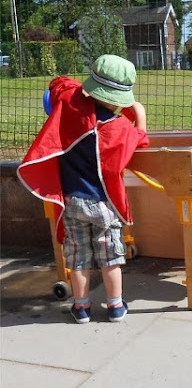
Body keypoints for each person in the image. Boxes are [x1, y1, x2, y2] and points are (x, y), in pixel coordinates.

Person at [17, 54, 149, 323]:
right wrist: (140, 116)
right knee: (111, 258)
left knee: (78, 259)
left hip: (73, 202)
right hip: (105, 205)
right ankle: (115, 307)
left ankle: (82, 308)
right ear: (119, 100)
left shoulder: (69, 107)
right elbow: (141, 141)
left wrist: (77, 91)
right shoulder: (120, 128)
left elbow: (59, 85)